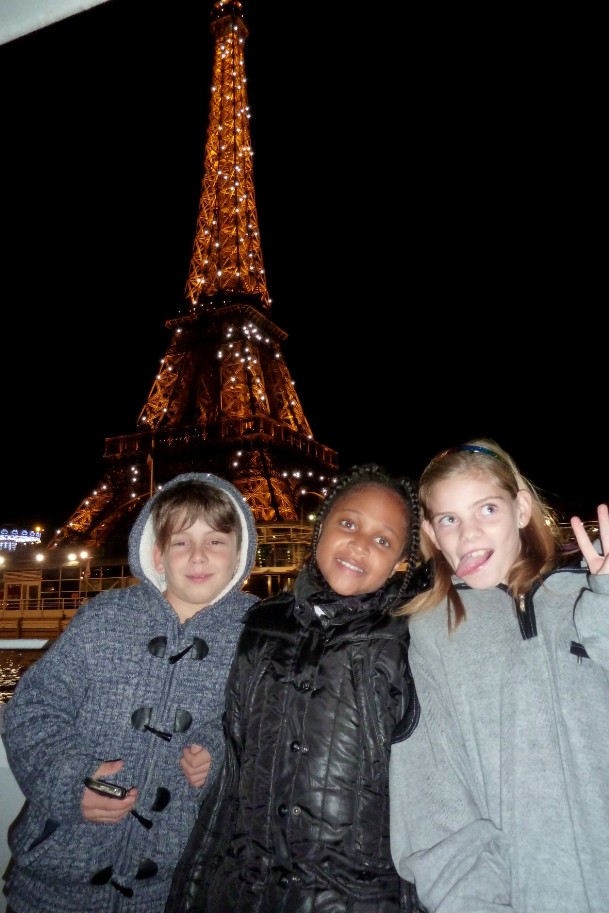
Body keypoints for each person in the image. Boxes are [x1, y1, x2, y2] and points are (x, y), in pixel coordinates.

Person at [165, 463, 425, 913]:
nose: (360, 544)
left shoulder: (409, 643)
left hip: (355, 897)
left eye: (383, 540)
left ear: (401, 560)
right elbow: (232, 767)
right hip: (246, 891)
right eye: (348, 524)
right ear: (320, 528)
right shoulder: (261, 625)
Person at [2, 472, 258, 913]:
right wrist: (70, 781)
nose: (198, 555)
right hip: (54, 881)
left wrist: (216, 755)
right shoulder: (104, 617)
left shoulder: (257, 636)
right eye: (181, 541)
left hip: (171, 890)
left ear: (241, 553)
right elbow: (33, 708)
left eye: (216, 541)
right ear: (157, 554)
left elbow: (257, 732)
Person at [389, 439, 609, 913]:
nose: (469, 534)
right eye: (449, 519)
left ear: (521, 509)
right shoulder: (432, 632)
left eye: (487, 509)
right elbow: (434, 798)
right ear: (431, 533)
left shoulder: (589, 593)